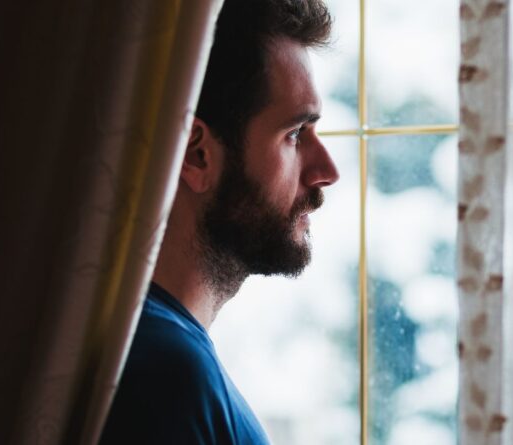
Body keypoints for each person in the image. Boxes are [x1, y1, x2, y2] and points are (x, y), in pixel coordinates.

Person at [99, 0, 338, 443]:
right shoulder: (168, 377)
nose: (327, 170)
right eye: (294, 134)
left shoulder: (156, 347)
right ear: (197, 154)